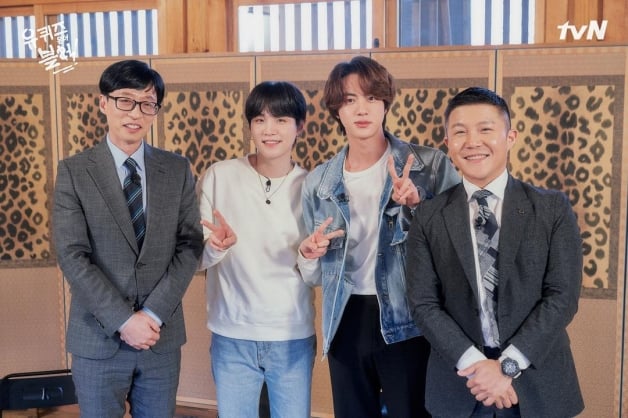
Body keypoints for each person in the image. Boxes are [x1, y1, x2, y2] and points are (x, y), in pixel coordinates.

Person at [406, 87, 585, 418]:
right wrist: (478, 366)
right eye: (460, 132)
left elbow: (562, 297)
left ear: (510, 137)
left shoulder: (551, 209)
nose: (473, 142)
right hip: (461, 385)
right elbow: (423, 304)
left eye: (485, 129)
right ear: (448, 143)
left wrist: (507, 366)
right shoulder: (428, 216)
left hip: (538, 382)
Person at [297, 56, 460, 418]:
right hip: (345, 317)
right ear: (336, 110)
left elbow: (458, 249)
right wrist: (308, 254)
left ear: (385, 104)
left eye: (372, 98)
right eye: (350, 100)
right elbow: (314, 275)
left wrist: (418, 206)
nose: (362, 109)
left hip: (410, 317)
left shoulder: (429, 166)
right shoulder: (319, 182)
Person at [52, 59, 204, 418]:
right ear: (103, 103)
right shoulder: (74, 171)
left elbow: (189, 245)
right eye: (125, 100)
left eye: (147, 103)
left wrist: (150, 315)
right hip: (98, 336)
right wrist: (124, 320)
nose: (135, 113)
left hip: (158, 335)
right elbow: (72, 255)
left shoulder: (176, 168)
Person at [197, 81, 325, 418]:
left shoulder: (312, 187)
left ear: (300, 126)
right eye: (260, 120)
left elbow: (315, 277)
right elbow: (195, 260)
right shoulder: (219, 176)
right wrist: (214, 247)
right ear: (250, 126)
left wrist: (308, 257)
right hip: (232, 335)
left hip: (291, 336)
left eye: (281, 120)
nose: (269, 130)